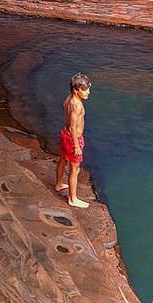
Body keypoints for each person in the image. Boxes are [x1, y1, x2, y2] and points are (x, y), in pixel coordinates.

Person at [54, 72, 91, 208]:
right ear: (76, 90)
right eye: (84, 90)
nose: (88, 92)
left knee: (63, 159)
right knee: (75, 169)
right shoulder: (77, 105)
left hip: (65, 134)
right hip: (72, 138)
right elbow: (73, 127)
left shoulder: (69, 98)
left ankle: (59, 184)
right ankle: (73, 199)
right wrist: (76, 146)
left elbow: (66, 112)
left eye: (88, 88)